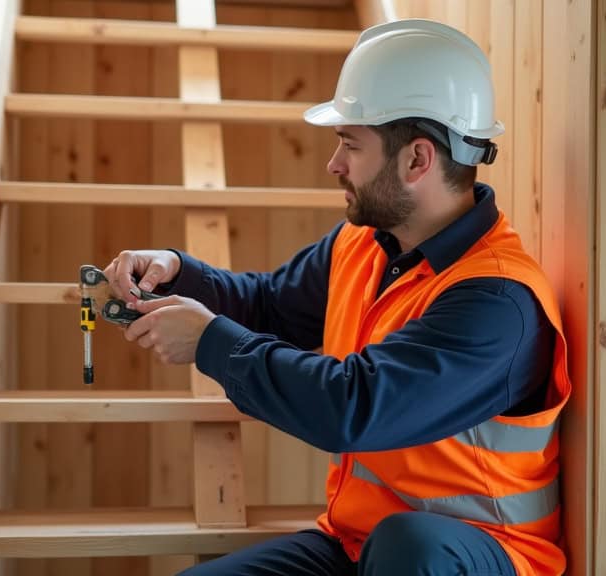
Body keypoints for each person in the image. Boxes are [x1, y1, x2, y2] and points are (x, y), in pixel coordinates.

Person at [103, 18, 571, 576]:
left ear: (417, 159)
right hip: (355, 544)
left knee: (409, 547)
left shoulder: (498, 302)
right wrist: (179, 274)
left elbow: (353, 408)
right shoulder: (365, 244)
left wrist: (209, 342)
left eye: (350, 144)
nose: (334, 164)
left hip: (476, 556)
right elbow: (273, 307)